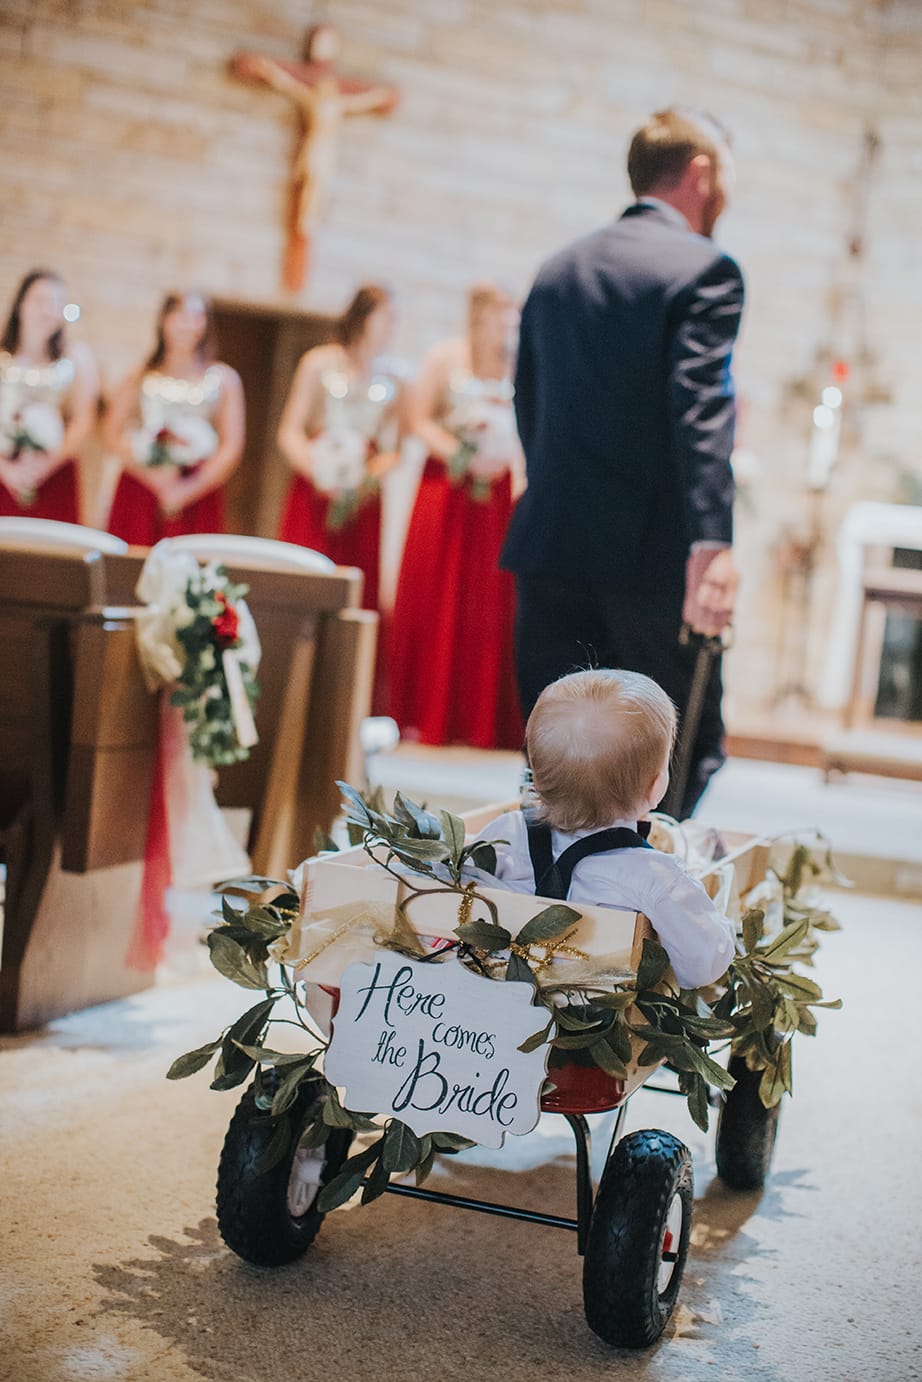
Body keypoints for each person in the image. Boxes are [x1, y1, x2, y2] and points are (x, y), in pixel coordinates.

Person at [504, 107, 745, 817]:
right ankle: (634, 913)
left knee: (554, 764)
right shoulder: (706, 270)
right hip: (651, 564)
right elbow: (702, 413)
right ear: (699, 173)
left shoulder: (559, 268)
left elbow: (530, 403)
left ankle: (549, 914)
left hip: (550, 547)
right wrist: (713, 544)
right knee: (672, 756)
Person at [476, 668, 736, 991]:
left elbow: (456, 889)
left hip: (490, 1003)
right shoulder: (657, 876)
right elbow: (703, 965)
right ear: (656, 789)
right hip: (597, 1022)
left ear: (536, 778)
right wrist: (724, 924)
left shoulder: (505, 832)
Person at [389, 283, 525, 750]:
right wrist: (459, 453)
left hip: (494, 495)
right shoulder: (446, 356)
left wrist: (502, 456)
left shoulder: (518, 362)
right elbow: (419, 419)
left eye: (512, 314)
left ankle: (480, 718)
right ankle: (423, 712)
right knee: (437, 593)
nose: (506, 322)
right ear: (479, 314)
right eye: (499, 313)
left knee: (486, 601)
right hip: (447, 484)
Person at [277, 283, 401, 611]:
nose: (393, 326)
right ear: (363, 317)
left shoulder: (395, 377)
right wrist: (321, 473)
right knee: (303, 578)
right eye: (387, 317)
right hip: (315, 487)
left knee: (354, 591)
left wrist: (366, 477)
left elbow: (394, 448)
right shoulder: (318, 363)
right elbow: (289, 432)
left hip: (362, 499)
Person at [104, 291, 244, 544]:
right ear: (164, 320)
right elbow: (112, 432)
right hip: (142, 488)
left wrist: (188, 489)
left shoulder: (224, 379)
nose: (186, 323)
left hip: (197, 491)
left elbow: (231, 446)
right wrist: (151, 474)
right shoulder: (141, 375)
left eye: (196, 316)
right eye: (179, 314)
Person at [0, 269, 99, 521]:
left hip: (54, 473)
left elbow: (83, 419)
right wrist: (6, 469)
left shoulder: (77, 357)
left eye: (57, 304)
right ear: (21, 304)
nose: (49, 311)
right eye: (41, 301)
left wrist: (46, 464)